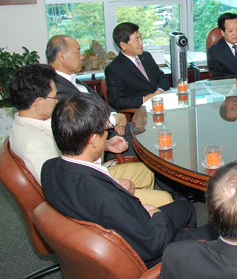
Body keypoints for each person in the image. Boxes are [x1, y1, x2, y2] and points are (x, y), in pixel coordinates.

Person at [41, 93, 218, 269]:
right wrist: (155, 214)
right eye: (105, 131)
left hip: (118, 228)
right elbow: (151, 244)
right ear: (93, 140)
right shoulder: (108, 199)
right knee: (218, 234)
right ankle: (179, 259)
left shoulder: (48, 168)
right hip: (145, 247)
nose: (107, 135)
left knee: (185, 208)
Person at [9, 64, 172, 207]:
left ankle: (139, 217)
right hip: (91, 193)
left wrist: (105, 145)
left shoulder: (32, 122)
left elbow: (71, 157)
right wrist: (114, 185)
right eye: (54, 97)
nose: (58, 101)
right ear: (37, 102)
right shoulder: (33, 144)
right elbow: (67, 190)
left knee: (146, 171)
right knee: (165, 199)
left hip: (89, 173)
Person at [105, 22, 170, 110]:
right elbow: (116, 101)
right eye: (137, 40)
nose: (141, 43)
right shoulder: (114, 69)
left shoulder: (146, 56)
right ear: (123, 45)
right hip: (142, 112)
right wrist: (145, 99)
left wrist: (159, 92)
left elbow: (162, 77)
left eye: (141, 38)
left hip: (162, 103)